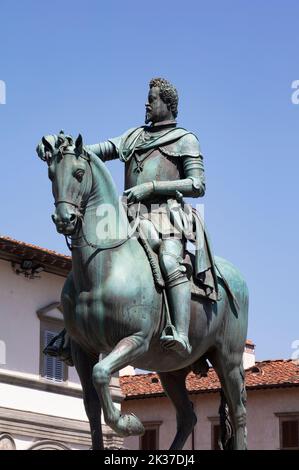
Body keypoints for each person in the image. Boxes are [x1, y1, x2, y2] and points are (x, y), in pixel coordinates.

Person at [38, 77, 206, 358]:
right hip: (127, 213)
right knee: (91, 256)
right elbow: (89, 152)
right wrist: (55, 143)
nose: (147, 103)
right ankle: (74, 331)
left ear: (167, 104)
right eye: (148, 98)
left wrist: (151, 188)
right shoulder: (133, 137)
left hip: (167, 215)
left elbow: (197, 185)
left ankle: (179, 331)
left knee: (168, 259)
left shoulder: (185, 140)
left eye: (152, 99)